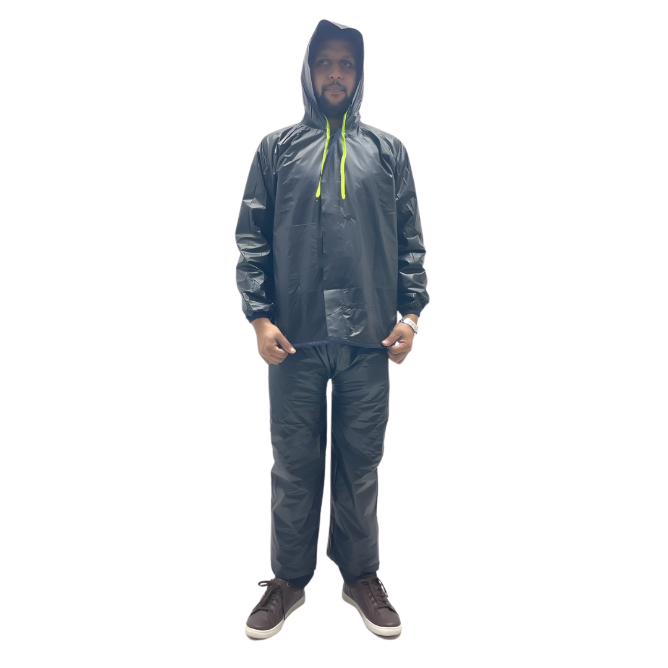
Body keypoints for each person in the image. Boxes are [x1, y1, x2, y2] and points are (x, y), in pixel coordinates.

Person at [234, 19, 429, 639]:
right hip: (292, 339)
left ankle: (360, 574)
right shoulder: (276, 150)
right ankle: (288, 581)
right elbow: (252, 238)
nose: (336, 74)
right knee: (294, 463)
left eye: (347, 63)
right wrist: (260, 317)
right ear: (309, 71)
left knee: (360, 464)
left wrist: (411, 315)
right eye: (326, 63)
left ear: (359, 74)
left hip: (369, 338)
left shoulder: (388, 152)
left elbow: (410, 240)